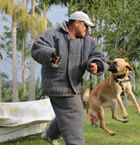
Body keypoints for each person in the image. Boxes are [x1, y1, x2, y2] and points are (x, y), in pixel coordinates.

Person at [31, 11, 108, 145]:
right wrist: (51, 54)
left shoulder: (88, 42)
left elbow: (100, 58)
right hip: (57, 86)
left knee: (65, 116)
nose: (87, 30)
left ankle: (50, 134)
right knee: (74, 117)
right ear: (77, 23)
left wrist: (95, 64)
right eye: (86, 26)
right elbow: (37, 48)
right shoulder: (53, 34)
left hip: (75, 86)